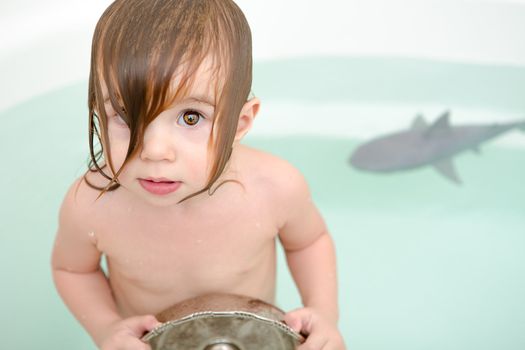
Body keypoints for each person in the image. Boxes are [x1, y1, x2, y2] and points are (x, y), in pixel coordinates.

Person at [51, 0, 345, 349]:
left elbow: (308, 242)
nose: (154, 150)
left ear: (241, 122)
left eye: (191, 117)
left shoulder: (274, 188)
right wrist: (107, 329)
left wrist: (323, 313)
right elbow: (73, 270)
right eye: (126, 116)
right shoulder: (91, 205)